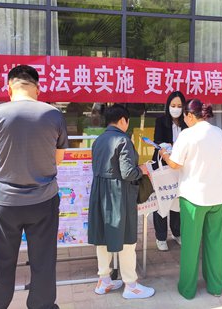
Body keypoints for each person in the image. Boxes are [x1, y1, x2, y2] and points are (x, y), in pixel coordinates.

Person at [0, 65, 68, 309]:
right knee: (43, 260)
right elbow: (58, 158)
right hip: (43, 200)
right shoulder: (53, 114)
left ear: (9, 88)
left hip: (4, 202)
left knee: (0, 260)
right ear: (37, 89)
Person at [159, 99, 222, 299]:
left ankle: (188, 289)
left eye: (184, 116)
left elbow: (175, 164)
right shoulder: (218, 132)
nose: (183, 119)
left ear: (190, 115)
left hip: (194, 197)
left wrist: (164, 154)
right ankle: (215, 286)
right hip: (219, 195)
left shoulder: (187, 135)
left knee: (190, 245)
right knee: (215, 244)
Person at [88, 104, 155, 299]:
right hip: (119, 195)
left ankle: (104, 280)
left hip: (99, 193)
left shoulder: (98, 140)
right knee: (127, 239)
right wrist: (142, 169)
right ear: (123, 120)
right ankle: (131, 285)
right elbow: (128, 173)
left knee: (102, 237)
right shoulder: (123, 140)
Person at [151, 90, 187, 251]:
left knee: (177, 202)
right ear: (168, 106)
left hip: (180, 167)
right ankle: (160, 237)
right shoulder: (161, 121)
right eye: (173, 105)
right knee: (162, 200)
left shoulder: (187, 122)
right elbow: (158, 142)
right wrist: (171, 147)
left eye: (179, 106)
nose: (176, 108)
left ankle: (177, 232)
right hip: (163, 166)